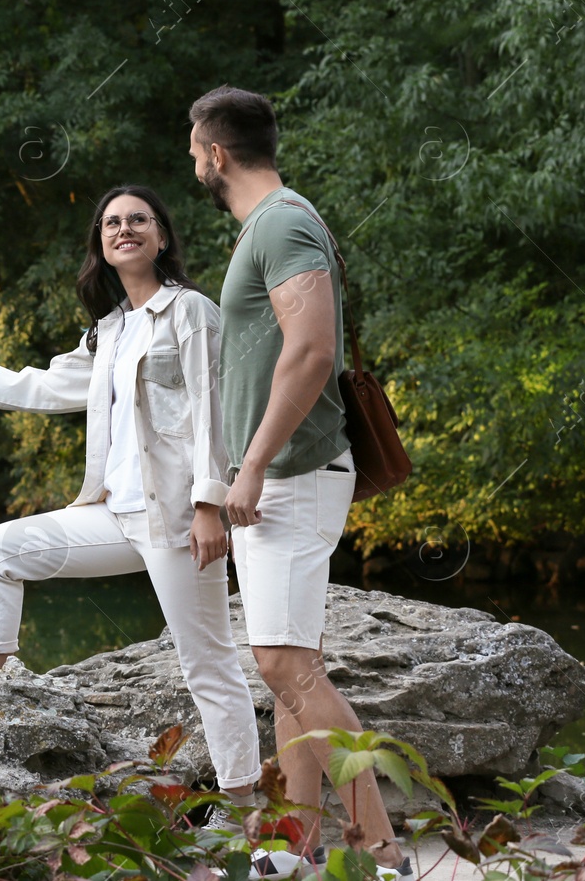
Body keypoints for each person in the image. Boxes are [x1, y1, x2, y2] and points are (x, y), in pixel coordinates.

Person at [0, 184, 261, 811]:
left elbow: (214, 410)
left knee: (208, 665)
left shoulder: (192, 311)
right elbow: (40, 386)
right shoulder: (110, 331)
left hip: (175, 519)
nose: (125, 229)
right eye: (112, 222)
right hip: (114, 512)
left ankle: (249, 811)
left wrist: (209, 505)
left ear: (162, 236)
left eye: (139, 219)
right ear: (101, 243)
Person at [188, 84, 409, 878]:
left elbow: (311, 349)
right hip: (281, 479)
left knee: (286, 668)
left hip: (291, 477)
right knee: (290, 671)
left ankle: (383, 852)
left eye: (194, 149)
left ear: (216, 153)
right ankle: (295, 848)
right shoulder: (272, 224)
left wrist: (247, 467)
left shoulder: (280, 221)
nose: (192, 162)